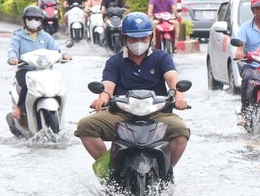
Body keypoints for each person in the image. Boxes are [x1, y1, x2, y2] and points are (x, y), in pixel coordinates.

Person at [74, 12, 189, 172]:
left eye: (143, 38)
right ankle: (109, 168)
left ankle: (166, 171)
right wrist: (102, 99)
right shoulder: (115, 61)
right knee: (85, 126)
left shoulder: (161, 57)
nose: (139, 43)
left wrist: (179, 96)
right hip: (121, 114)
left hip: (157, 113)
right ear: (125, 38)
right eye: (134, 39)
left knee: (181, 132)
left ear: (150, 37)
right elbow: (108, 86)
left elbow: (172, 79)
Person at [7, 5, 71, 125]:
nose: (33, 21)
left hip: (45, 72)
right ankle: (20, 108)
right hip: (25, 71)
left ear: (41, 21)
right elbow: (12, 50)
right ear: (24, 19)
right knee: (27, 85)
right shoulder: (18, 37)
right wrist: (12, 58)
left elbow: (56, 49)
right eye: (30, 18)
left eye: (36, 19)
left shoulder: (45, 36)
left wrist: (64, 55)